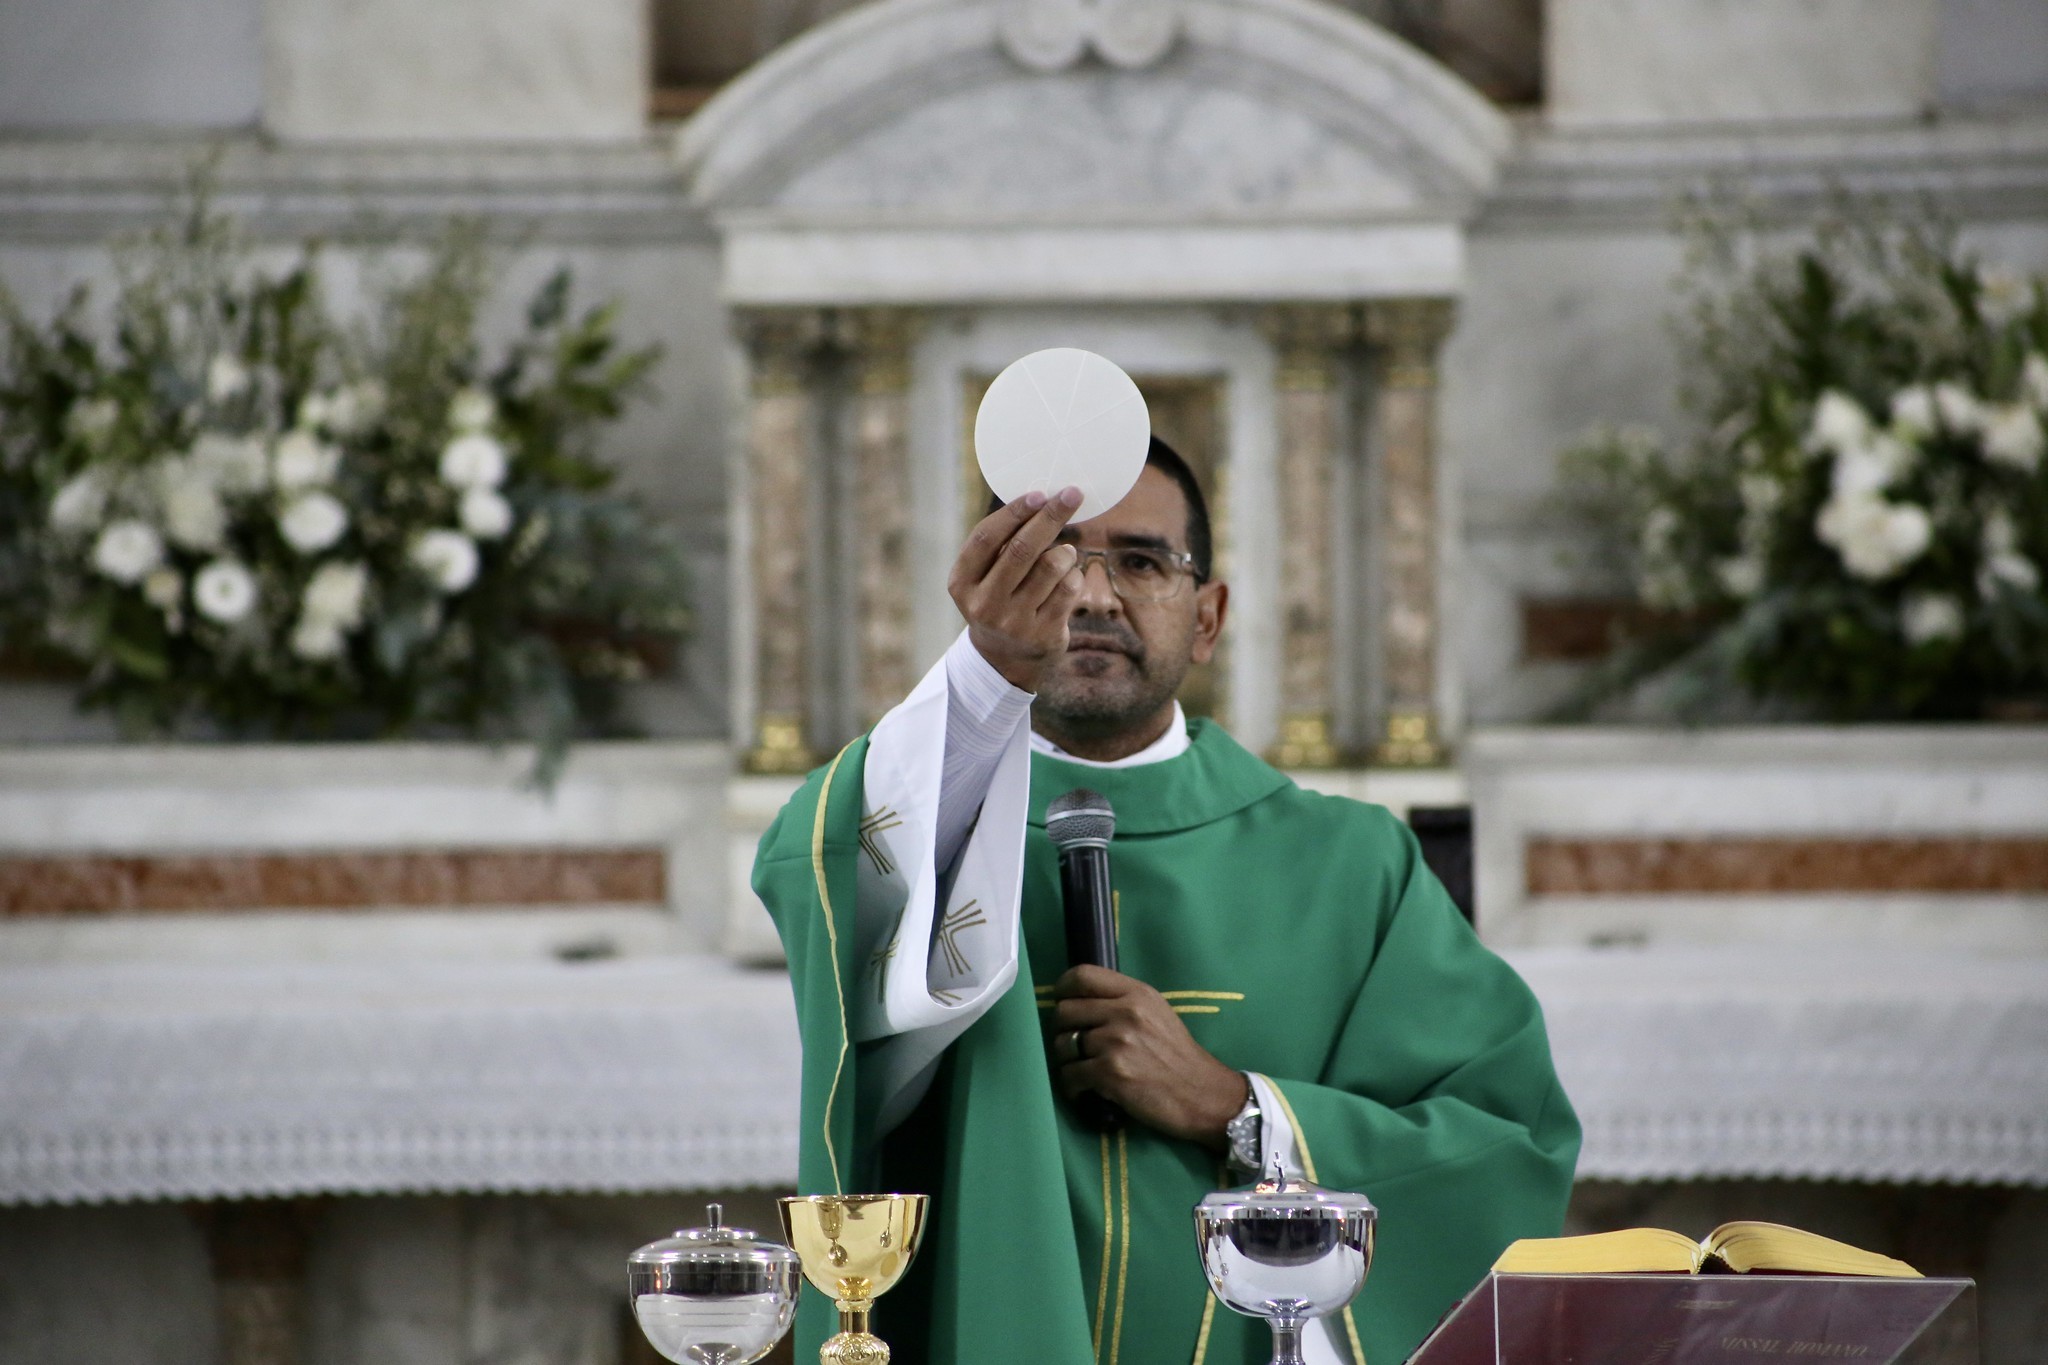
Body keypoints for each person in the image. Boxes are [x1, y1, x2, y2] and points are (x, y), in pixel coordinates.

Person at [754, 438, 1579, 1365]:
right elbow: (813, 864)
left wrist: (1237, 1105)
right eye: (1053, 557)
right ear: (987, 586)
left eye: (1142, 561)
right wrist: (984, 677)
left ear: (1208, 617)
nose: (1094, 595)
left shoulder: (1351, 864)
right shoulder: (922, 823)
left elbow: (1508, 1147)